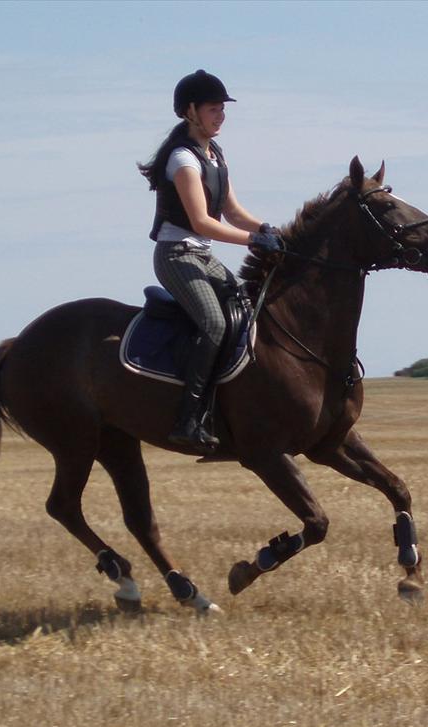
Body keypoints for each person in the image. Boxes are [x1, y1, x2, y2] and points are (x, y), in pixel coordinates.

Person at [138, 70, 282, 453]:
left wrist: (268, 229)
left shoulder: (215, 154)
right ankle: (189, 419)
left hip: (202, 255)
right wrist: (254, 241)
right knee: (215, 324)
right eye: (213, 109)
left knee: (247, 309)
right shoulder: (183, 159)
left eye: (222, 109)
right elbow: (202, 222)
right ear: (191, 112)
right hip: (175, 255)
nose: (221, 116)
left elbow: (232, 212)